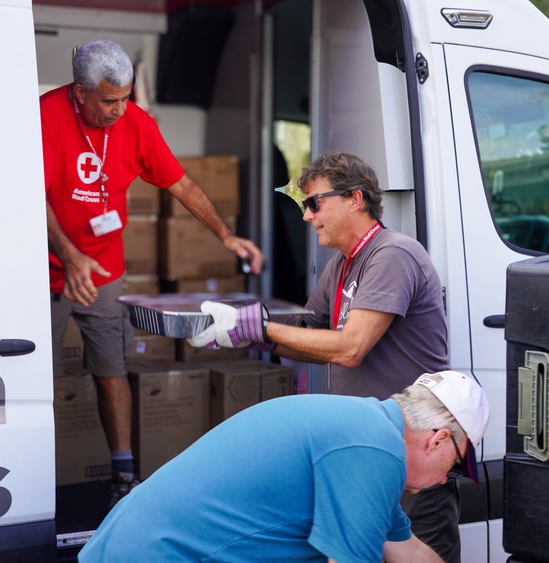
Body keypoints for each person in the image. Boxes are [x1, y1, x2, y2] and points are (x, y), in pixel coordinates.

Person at [189, 151, 461, 560]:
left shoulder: (392, 255)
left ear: (355, 199)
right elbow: (311, 337)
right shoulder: (342, 266)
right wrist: (239, 333)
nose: (306, 215)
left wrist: (258, 329)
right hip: (373, 455)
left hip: (415, 456)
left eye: (314, 203)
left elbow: (350, 348)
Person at [41, 40, 263, 507]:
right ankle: (31, 483)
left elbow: (180, 183)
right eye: (109, 100)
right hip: (44, 273)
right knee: (33, 377)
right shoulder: (44, 116)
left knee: (111, 369)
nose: (120, 110)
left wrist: (225, 236)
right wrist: (68, 253)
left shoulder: (136, 122)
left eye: (124, 98)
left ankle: (124, 473)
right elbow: (31, 197)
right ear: (80, 93)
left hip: (104, 270)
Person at [78, 370, 489, 562]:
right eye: (452, 468)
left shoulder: (361, 430)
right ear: (437, 438)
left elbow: (409, 552)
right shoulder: (372, 447)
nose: (442, 482)